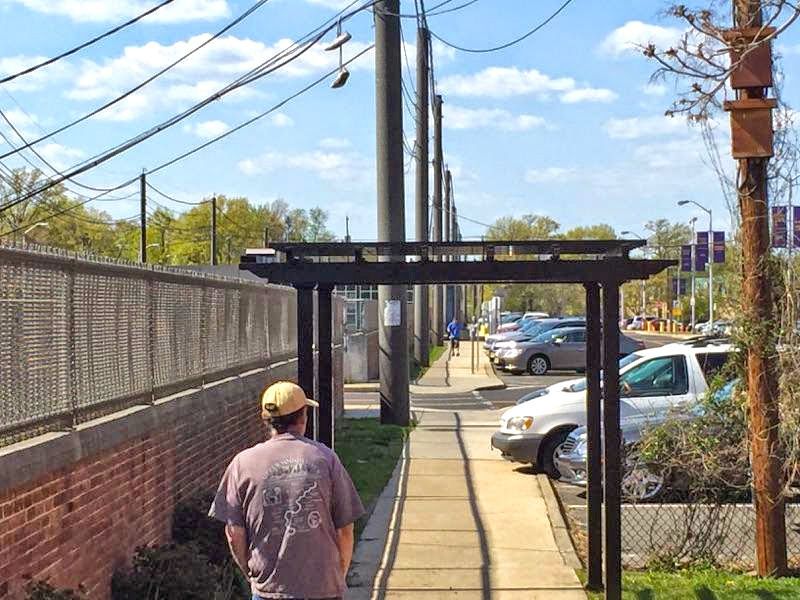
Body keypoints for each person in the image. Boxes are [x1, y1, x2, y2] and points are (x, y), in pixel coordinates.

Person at [209, 381, 365, 600]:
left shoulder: (242, 463)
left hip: (269, 588)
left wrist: (250, 573)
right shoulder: (325, 458)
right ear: (302, 417)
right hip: (322, 587)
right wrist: (338, 573)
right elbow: (346, 528)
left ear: (266, 419)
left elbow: (234, 532)